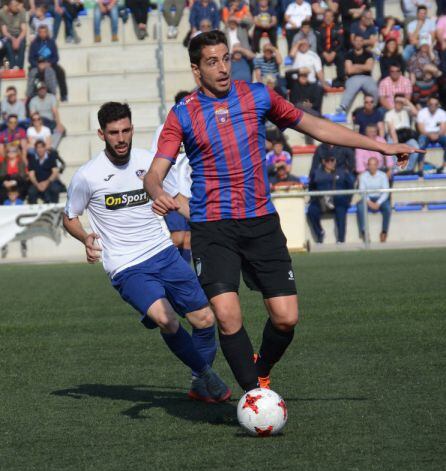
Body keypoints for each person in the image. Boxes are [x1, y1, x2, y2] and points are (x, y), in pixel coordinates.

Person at [144, 31, 419, 393]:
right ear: (196, 70)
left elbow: (316, 126)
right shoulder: (182, 114)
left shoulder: (257, 95)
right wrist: (158, 193)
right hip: (213, 227)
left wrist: (379, 146)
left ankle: (261, 368)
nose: (223, 68)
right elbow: (153, 174)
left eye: (226, 58)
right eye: (212, 62)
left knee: (286, 319)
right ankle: (255, 397)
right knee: (227, 318)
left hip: (260, 222)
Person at [63, 102, 230, 403]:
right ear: (102, 134)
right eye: (114, 132)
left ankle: (196, 381)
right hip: (127, 266)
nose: (121, 138)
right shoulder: (88, 176)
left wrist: (211, 228)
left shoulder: (150, 163)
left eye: (126, 130)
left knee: (205, 319)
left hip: (164, 253)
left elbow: (177, 198)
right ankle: (206, 374)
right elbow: (69, 216)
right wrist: (85, 237)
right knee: (168, 320)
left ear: (132, 129)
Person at [150, 91, 193, 264]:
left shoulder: (197, 128)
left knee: (190, 238)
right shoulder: (164, 130)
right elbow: (155, 159)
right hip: (172, 193)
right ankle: (165, 267)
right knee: (178, 237)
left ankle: (189, 276)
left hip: (194, 191)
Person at [328, 35, 378, 122]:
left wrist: (355, 66)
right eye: (356, 41)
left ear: (363, 42)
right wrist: (363, 66)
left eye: (360, 40)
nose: (358, 42)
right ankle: (341, 111)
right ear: (353, 42)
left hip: (367, 78)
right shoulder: (349, 54)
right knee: (352, 87)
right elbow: (349, 70)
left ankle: (375, 108)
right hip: (353, 78)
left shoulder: (368, 54)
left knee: (374, 89)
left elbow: (369, 68)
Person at [307, 156, 354, 243]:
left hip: (339, 200)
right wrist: (315, 198)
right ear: (324, 162)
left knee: (341, 210)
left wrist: (347, 200)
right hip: (322, 201)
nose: (330, 163)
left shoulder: (342, 172)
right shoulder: (316, 173)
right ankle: (319, 233)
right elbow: (311, 187)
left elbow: (350, 186)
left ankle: (341, 239)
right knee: (311, 210)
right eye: (328, 160)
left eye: (332, 160)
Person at [28, 25, 68, 102]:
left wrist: (49, 64)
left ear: (47, 33)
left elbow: (56, 57)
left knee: (61, 72)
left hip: (50, 64)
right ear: (38, 33)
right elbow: (30, 59)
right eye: (40, 32)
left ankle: (63, 95)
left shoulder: (52, 42)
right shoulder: (34, 44)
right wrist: (37, 65)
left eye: (44, 32)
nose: (42, 34)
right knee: (32, 72)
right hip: (37, 65)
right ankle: (30, 95)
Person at [357, 157, 391, 243]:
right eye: (370, 165)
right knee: (360, 207)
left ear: (377, 165)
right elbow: (362, 191)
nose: (372, 167)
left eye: (374, 165)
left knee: (387, 208)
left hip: (380, 198)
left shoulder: (383, 176)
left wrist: (378, 203)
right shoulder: (363, 176)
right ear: (367, 166)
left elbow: (386, 192)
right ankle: (364, 232)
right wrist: (369, 202)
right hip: (367, 198)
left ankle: (384, 231)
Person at [384, 94, 419, 173]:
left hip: (406, 136)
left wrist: (406, 101)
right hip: (394, 136)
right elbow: (391, 129)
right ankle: (396, 169)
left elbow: (416, 113)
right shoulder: (389, 113)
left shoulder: (406, 110)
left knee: (416, 147)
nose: (398, 104)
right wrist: (396, 143)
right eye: (396, 102)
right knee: (391, 146)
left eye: (400, 102)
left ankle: (408, 169)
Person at [28, 82, 65, 148]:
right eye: (40, 89)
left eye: (43, 88)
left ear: (46, 89)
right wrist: (38, 123)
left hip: (50, 121)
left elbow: (55, 111)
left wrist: (59, 124)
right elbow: (33, 115)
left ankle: (51, 147)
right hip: (39, 121)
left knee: (61, 130)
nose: (42, 90)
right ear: (37, 90)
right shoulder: (33, 101)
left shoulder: (51, 97)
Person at [316, 8, 345, 86]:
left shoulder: (338, 28)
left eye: (330, 16)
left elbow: (341, 42)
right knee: (318, 59)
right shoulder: (319, 29)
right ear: (324, 17)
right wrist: (324, 53)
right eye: (326, 16)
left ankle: (341, 80)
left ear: (333, 18)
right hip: (323, 52)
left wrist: (334, 52)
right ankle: (320, 81)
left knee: (341, 57)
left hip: (334, 51)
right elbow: (318, 44)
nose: (328, 18)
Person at [417, 96, 446, 173]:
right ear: (427, 104)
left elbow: (443, 129)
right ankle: (420, 169)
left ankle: (444, 166)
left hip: (438, 134)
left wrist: (437, 135)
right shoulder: (422, 113)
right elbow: (421, 129)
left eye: (435, 104)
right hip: (425, 134)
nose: (433, 106)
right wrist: (430, 135)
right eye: (431, 104)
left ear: (438, 105)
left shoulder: (442, 113)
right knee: (421, 145)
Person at [0, 0, 27, 69]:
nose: (17, 7)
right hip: (7, 36)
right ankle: (13, 66)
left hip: (19, 34)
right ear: (9, 6)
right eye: (15, 6)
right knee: (8, 44)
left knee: (22, 43)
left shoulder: (22, 11)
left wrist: (17, 40)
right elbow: (4, 32)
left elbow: (24, 30)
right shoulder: (2, 13)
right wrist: (13, 39)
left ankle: (20, 67)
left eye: (17, 5)